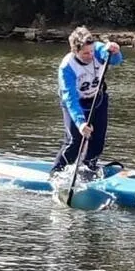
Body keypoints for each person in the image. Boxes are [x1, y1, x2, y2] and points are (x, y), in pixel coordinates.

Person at [51, 26, 124, 178]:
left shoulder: (97, 49)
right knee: (75, 140)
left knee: (98, 139)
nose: (90, 55)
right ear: (75, 51)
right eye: (85, 53)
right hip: (76, 103)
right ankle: (56, 174)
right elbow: (70, 98)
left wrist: (115, 51)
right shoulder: (67, 67)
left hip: (97, 100)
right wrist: (81, 123)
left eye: (91, 51)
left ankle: (88, 169)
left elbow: (115, 60)